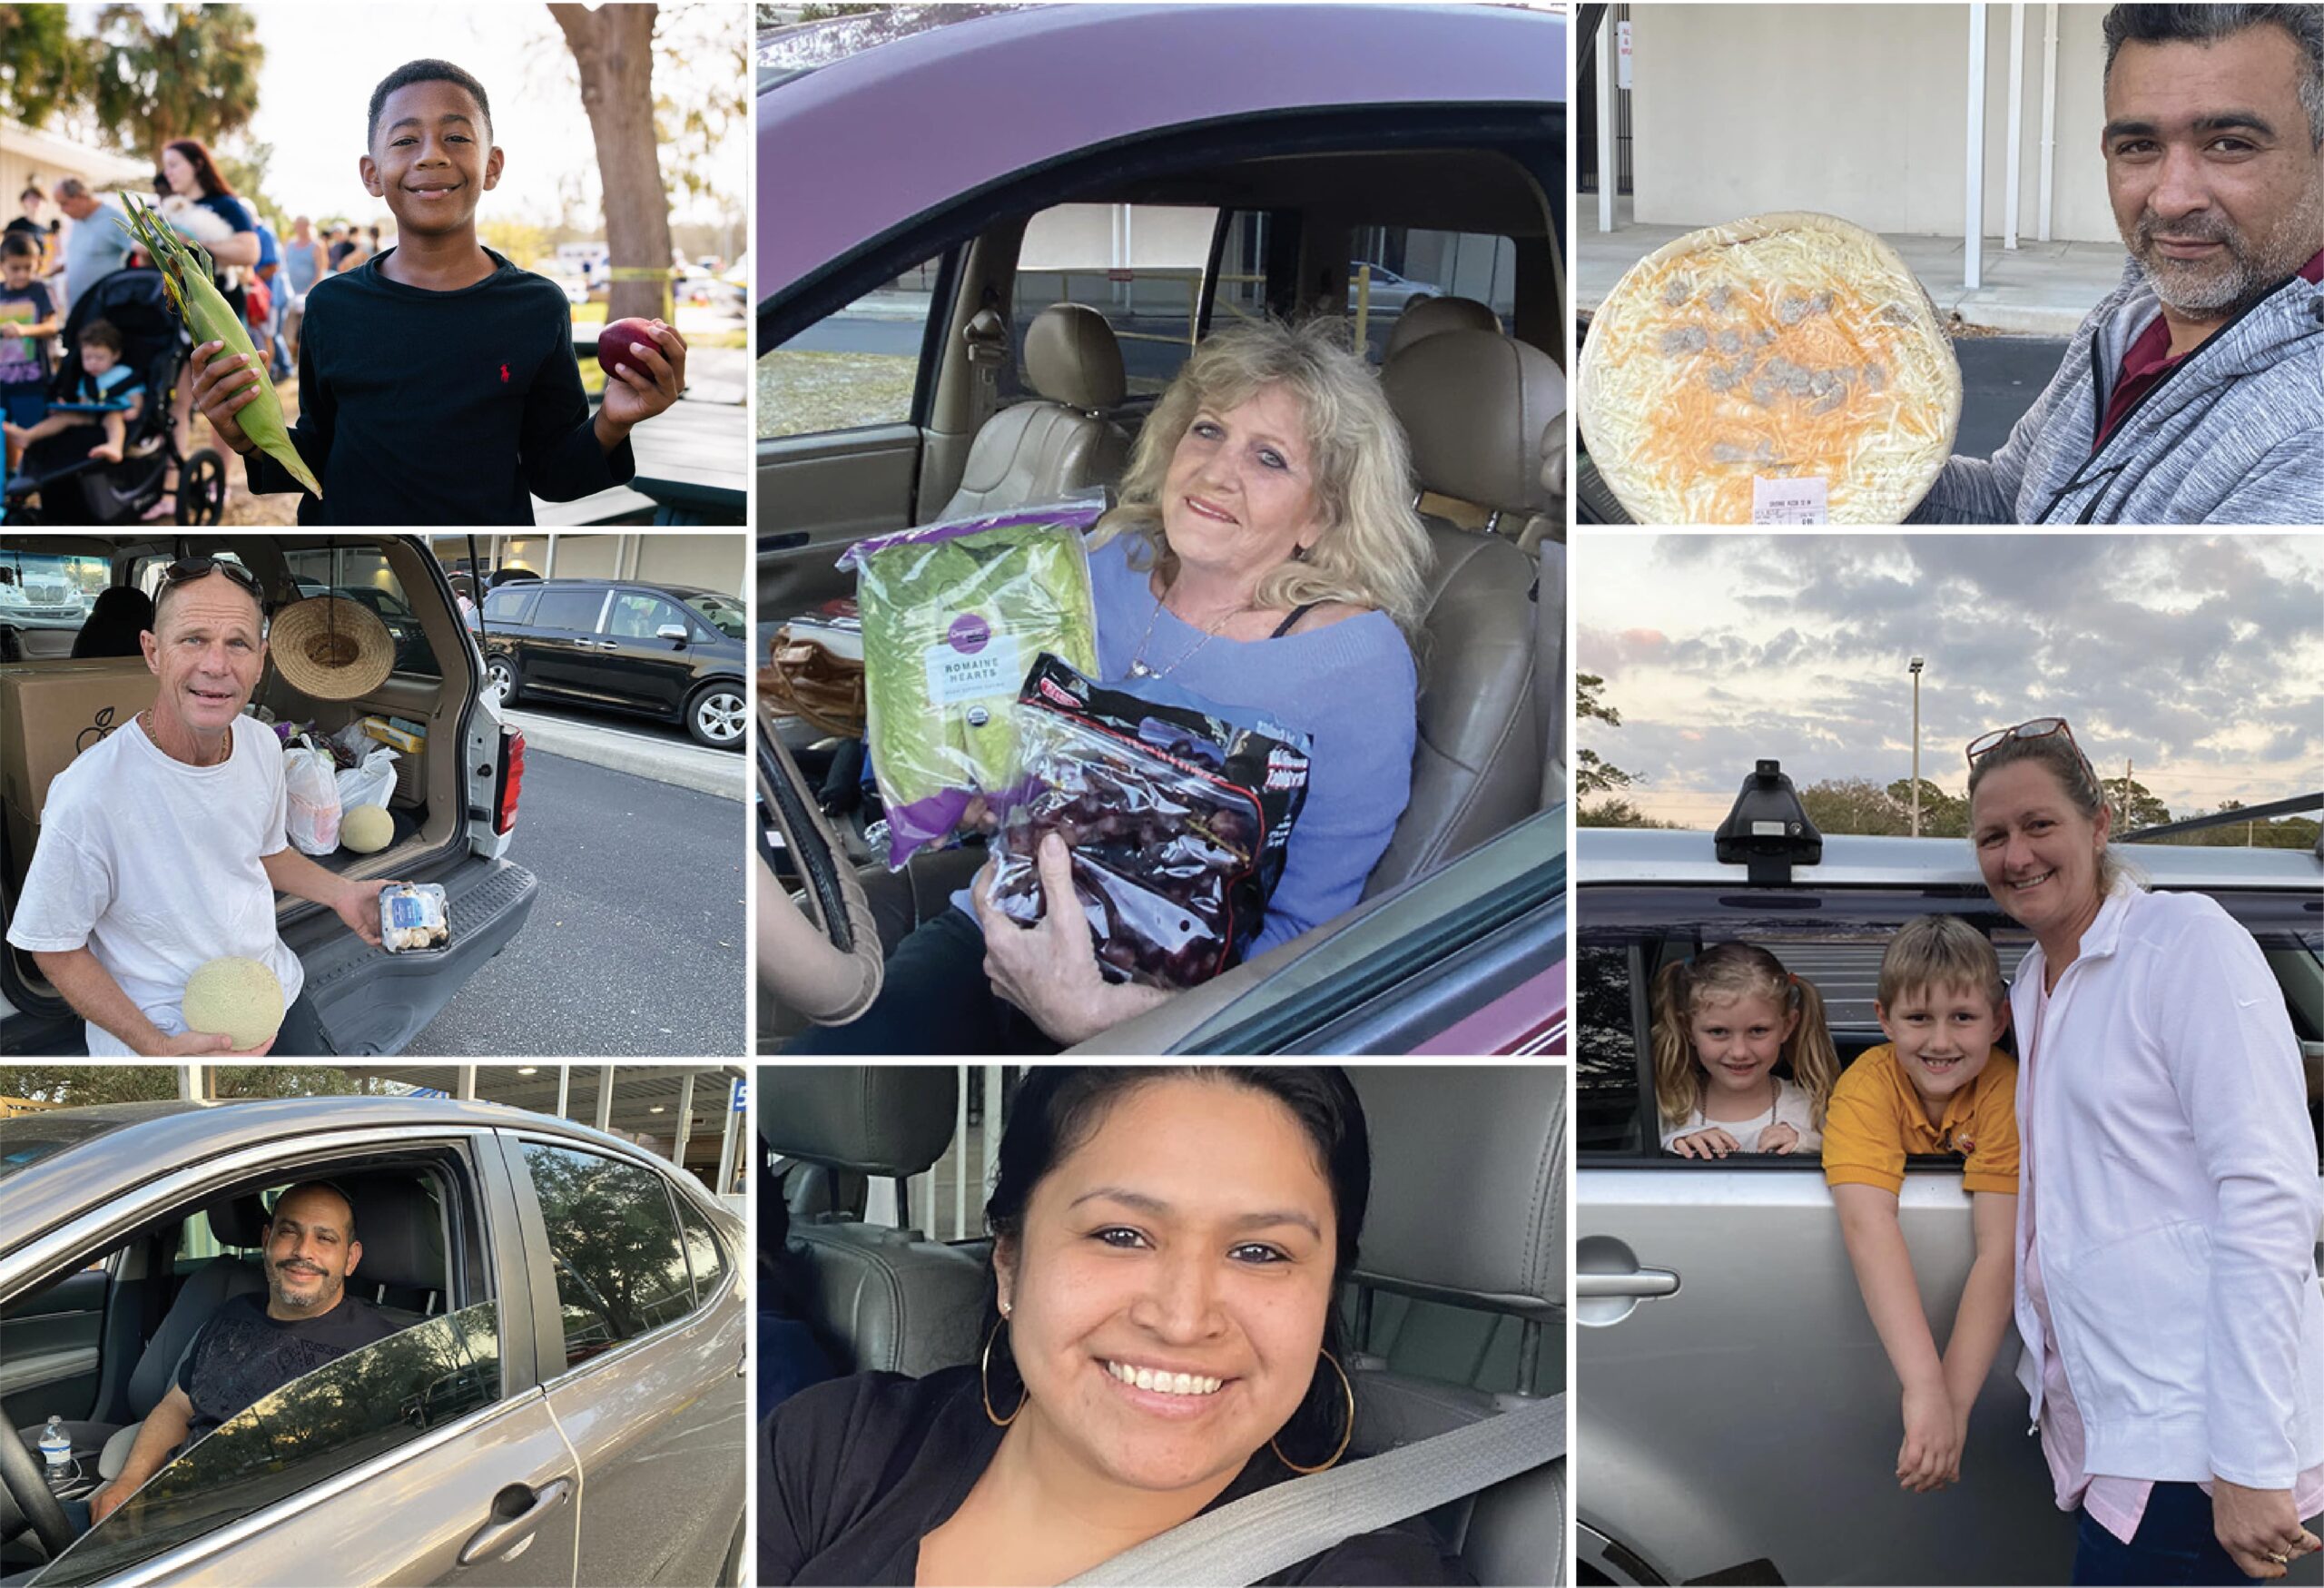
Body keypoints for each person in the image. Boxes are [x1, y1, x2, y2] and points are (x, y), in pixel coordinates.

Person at [787, 317, 1430, 1054]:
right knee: (823, 1069)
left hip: (1172, 1008)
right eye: (1209, 430)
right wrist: (954, 781)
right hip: (1001, 918)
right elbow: (1017, 774)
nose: (1218, 472)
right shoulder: (1102, 561)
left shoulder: (1354, 662)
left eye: (1270, 458)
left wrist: (1112, 1019)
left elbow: (1305, 941)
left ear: (1320, 515)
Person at [762, 1067, 1467, 1585]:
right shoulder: (832, 1444)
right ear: (1010, 1263)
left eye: (1260, 1252)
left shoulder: (1366, 1569)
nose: (1183, 1319)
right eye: (1122, 1234)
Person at [1965, 716, 2324, 1583]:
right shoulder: (2032, 978)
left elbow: (2270, 1196)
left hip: (2197, 1443)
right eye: (1993, 836)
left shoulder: (2186, 944)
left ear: (2100, 822)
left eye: (2039, 825)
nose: (2016, 856)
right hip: (2109, 1424)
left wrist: (2245, 1460)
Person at [187, 58, 684, 525]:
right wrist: (250, 440)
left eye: (455, 136)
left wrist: (615, 422)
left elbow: (552, 473)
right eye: (405, 141)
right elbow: (318, 453)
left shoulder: (536, 307)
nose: (432, 155)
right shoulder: (332, 307)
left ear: (491, 166)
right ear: (372, 174)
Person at [1912, 4, 2324, 524]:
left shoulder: (2308, 439)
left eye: (2228, 145)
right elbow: (2010, 505)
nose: (2172, 199)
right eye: (2140, 146)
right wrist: (1837, 473)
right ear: (2108, 152)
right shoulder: (2133, 319)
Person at [3, 558, 396, 1056]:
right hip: (164, 1031)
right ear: (153, 652)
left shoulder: (261, 745)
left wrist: (344, 894)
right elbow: (54, 946)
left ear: (261, 659)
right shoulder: (89, 793)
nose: (216, 665)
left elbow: (266, 853)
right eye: (193, 639)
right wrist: (156, 1048)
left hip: (270, 993)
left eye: (238, 643)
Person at [1822, 914, 2021, 1495]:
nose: (1939, 1042)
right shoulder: (1865, 1087)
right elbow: (1867, 1225)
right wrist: (1923, 1389)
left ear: (1999, 1020)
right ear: (1883, 1019)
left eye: (1963, 1018)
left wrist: (1951, 1407)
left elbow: (2000, 1250)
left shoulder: (2007, 1090)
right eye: (1917, 1019)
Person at [85, 1181, 396, 1524]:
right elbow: (178, 1406)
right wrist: (129, 1483)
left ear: (350, 1258)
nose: (303, 1251)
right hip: (165, 1508)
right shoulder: (232, 1314)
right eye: (289, 1232)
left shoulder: (381, 1351)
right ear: (267, 1241)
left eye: (325, 1238)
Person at [1649, 941, 1839, 1157]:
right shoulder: (1667, 1106)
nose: (1739, 1052)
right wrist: (1675, 1145)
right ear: (1688, 1029)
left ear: (1787, 1026)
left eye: (1758, 1031)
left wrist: (1809, 1143)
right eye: (1718, 1032)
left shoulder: (1811, 1109)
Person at [152, 138, 259, 513]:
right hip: (180, 317)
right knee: (180, 402)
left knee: (222, 401)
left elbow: (250, 251)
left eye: (175, 164)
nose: (169, 173)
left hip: (221, 314)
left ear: (197, 164)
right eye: (166, 167)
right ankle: (171, 490)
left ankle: (219, 485)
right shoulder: (168, 208)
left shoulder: (225, 206)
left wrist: (193, 244)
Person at [2, 318, 143, 463]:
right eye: (87, 358)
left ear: (115, 355)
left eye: (99, 358)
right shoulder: (87, 379)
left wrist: (136, 410)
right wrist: (67, 407)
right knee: (63, 417)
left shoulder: (123, 373)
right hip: (93, 416)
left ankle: (115, 446)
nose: (93, 363)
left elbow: (136, 396)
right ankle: (28, 435)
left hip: (117, 414)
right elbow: (83, 403)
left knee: (113, 418)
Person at [0, 232, 60, 469]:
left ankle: (37, 474)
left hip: (32, 378)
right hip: (3, 378)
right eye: (15, 268)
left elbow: (51, 326)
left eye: (28, 267)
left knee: (32, 430)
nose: (22, 274)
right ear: (3, 265)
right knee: (6, 430)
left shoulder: (39, 291)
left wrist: (25, 330)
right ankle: (13, 476)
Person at [53, 179, 135, 321]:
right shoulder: (77, 220)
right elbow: (84, 256)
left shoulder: (113, 218)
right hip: (77, 309)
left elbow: (141, 250)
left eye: (64, 203)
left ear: (81, 196)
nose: (62, 210)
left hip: (102, 311)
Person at [279, 214, 329, 366]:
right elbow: (284, 268)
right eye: (297, 225)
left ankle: (305, 363)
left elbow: (321, 270)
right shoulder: (290, 244)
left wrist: (309, 291)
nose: (299, 228)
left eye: (302, 225)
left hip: (308, 296)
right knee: (288, 331)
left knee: (305, 332)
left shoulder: (317, 245)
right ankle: (290, 361)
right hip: (291, 296)